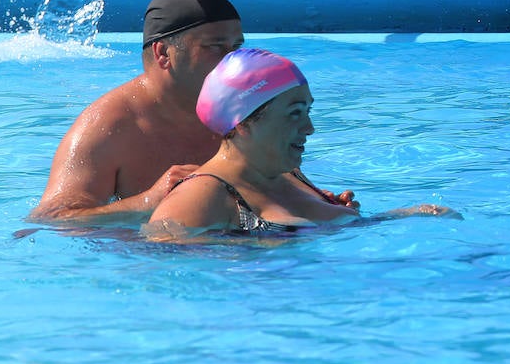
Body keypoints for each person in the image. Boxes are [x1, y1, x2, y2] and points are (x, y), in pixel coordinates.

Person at [29, 0, 354, 224]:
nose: (234, 58)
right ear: (164, 53)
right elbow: (49, 220)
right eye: (216, 47)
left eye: (238, 46)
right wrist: (146, 201)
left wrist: (308, 198)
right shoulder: (109, 126)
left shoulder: (242, 106)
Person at [146, 48, 457, 240]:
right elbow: (164, 276)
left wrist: (406, 214)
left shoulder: (288, 174)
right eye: (294, 114)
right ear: (242, 123)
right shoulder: (199, 199)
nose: (309, 128)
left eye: (308, 111)